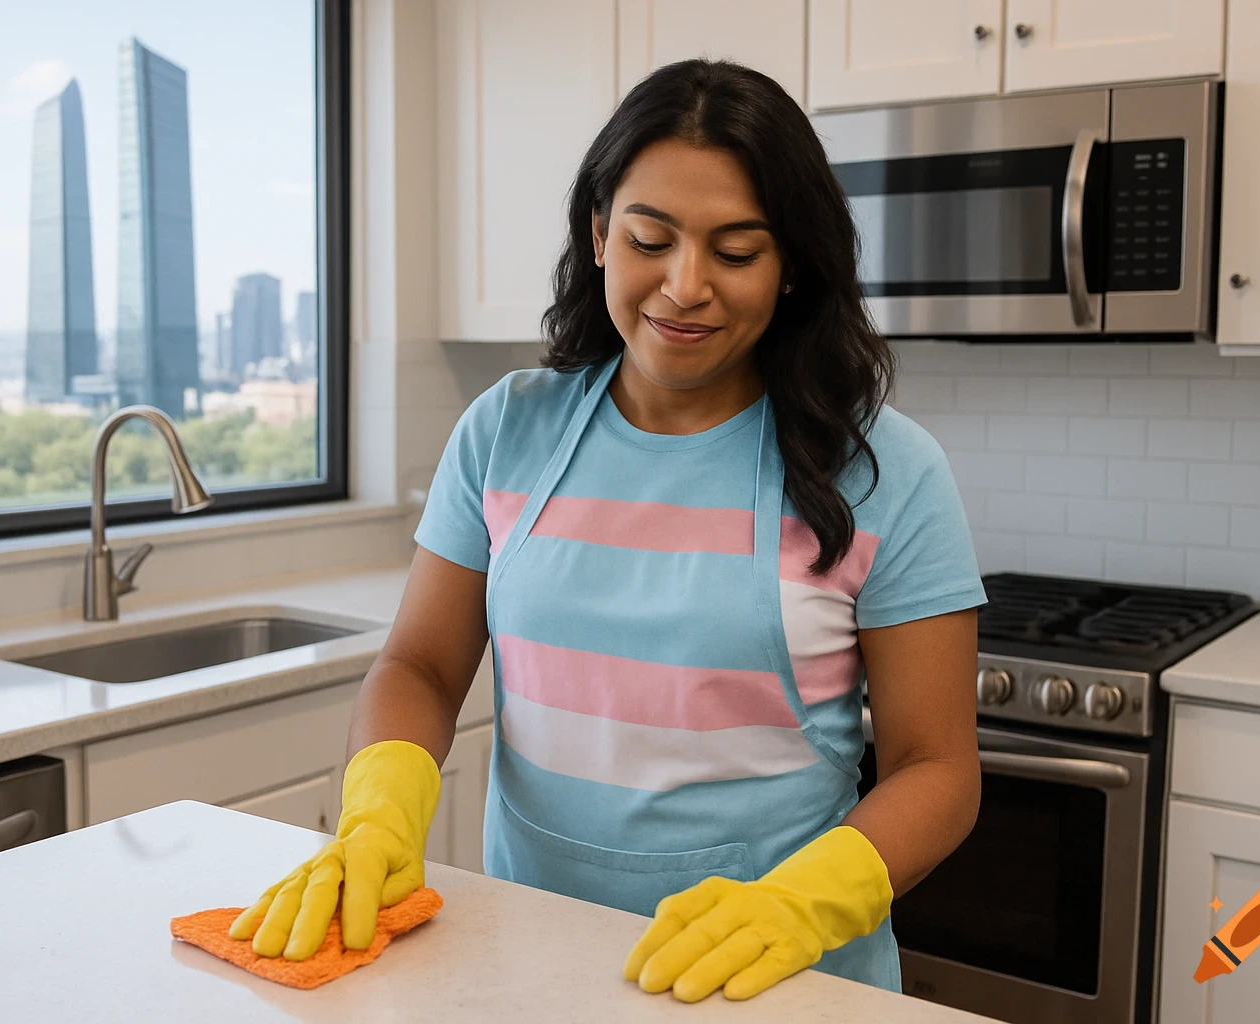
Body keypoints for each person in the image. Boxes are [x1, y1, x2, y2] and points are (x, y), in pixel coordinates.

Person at [229, 59, 984, 1002]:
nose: (685, 286)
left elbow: (938, 769)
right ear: (597, 234)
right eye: (648, 239)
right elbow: (420, 666)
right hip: (527, 963)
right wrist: (376, 819)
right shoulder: (508, 430)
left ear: (792, 264)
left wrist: (804, 904)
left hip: (781, 988)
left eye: (738, 252)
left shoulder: (883, 470)